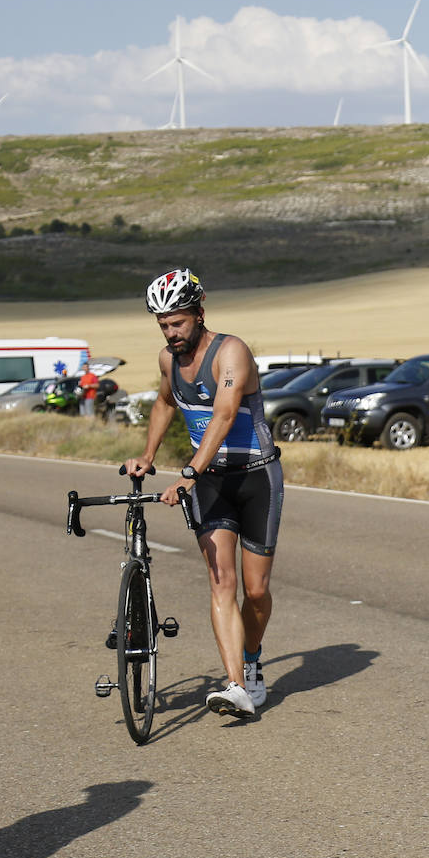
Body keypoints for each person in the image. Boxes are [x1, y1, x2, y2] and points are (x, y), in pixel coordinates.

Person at [123, 268, 284, 719]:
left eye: (177, 322)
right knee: (222, 583)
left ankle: (252, 662)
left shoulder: (231, 351)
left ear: (199, 312)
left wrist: (189, 471)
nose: (171, 333)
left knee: (255, 592)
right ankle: (235, 684)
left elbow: (226, 412)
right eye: (163, 325)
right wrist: (149, 455)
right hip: (210, 483)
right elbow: (164, 403)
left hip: (255, 477)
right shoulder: (167, 360)